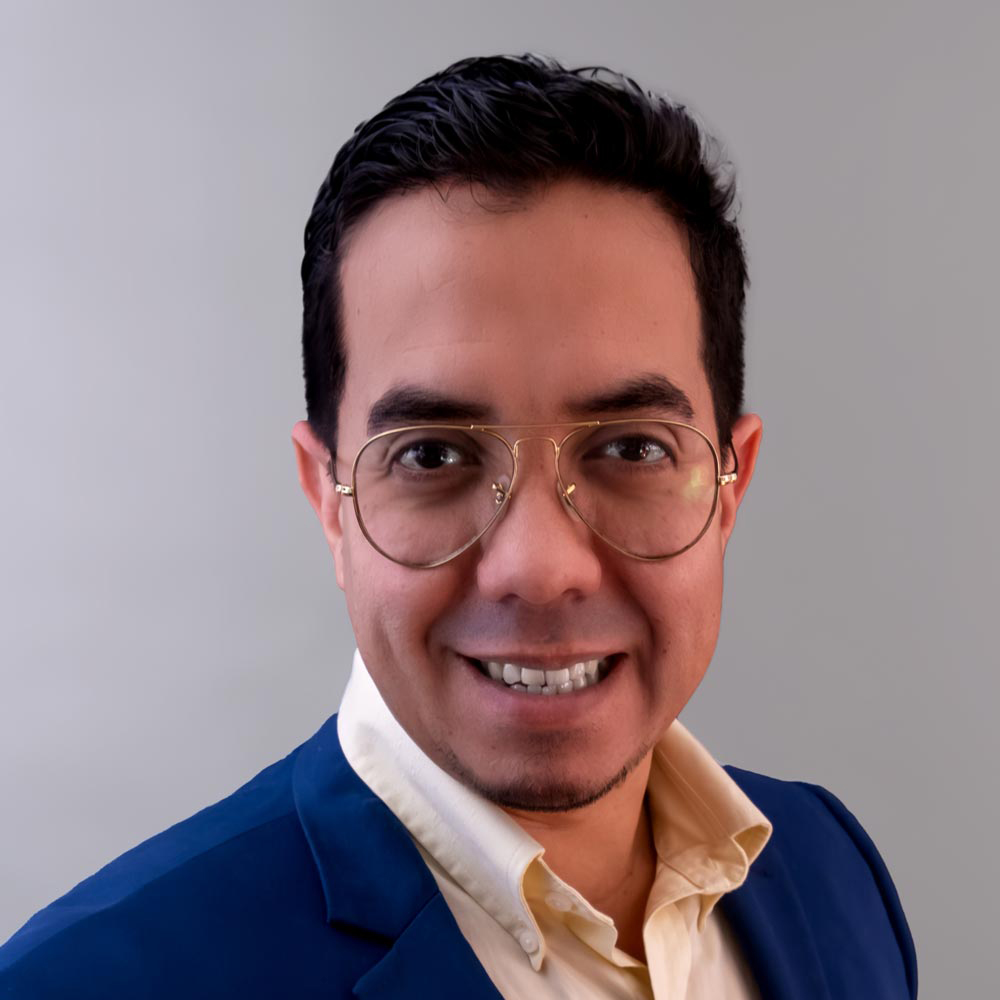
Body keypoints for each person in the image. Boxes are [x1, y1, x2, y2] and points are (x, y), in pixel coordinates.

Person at [0, 54, 916, 998]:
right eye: (434, 455)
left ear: (730, 487)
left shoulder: (831, 874)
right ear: (329, 500)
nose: (540, 567)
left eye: (632, 448)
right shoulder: (83, 983)